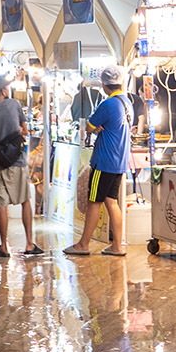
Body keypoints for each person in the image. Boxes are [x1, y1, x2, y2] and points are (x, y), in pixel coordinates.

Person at [66, 64, 132, 257]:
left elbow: (89, 126)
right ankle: (117, 246)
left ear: (104, 85)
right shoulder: (126, 102)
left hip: (104, 161)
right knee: (111, 201)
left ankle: (83, 245)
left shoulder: (108, 104)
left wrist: (95, 127)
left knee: (94, 201)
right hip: (120, 161)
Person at [0, 74, 42, 258]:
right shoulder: (14, 104)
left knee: (1, 205)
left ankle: (4, 247)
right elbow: (25, 131)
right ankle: (29, 244)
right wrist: (18, 131)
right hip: (17, 161)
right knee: (25, 200)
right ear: (4, 91)